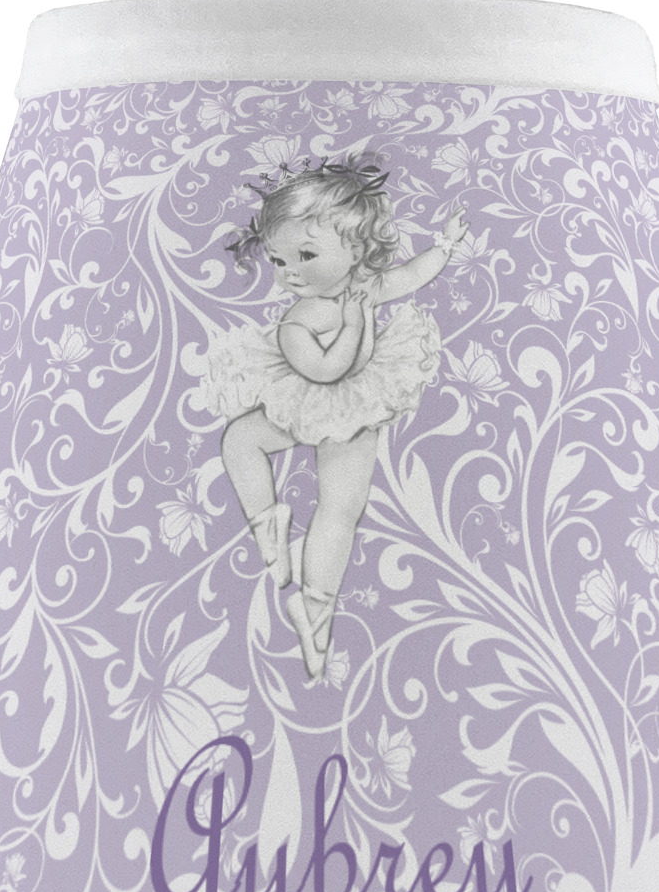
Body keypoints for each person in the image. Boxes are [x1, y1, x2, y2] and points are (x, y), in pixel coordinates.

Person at [198, 152, 468, 680]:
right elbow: (326, 371)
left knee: (341, 510)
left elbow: (411, 275)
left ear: (356, 251)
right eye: (278, 261)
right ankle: (268, 526)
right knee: (240, 440)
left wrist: (446, 245)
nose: (290, 273)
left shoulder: (364, 286)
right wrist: (355, 323)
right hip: (306, 398)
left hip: (357, 405)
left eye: (305, 255)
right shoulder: (297, 321)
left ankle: (316, 607)